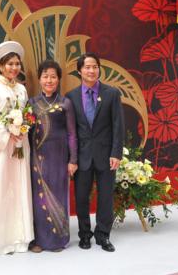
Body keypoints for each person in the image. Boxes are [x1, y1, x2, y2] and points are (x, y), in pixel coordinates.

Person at [66, 52, 125, 252]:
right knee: (82, 197)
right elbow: (71, 131)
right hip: (82, 156)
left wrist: (116, 153)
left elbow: (118, 125)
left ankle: (103, 235)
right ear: (79, 71)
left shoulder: (112, 94)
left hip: (106, 155)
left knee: (106, 197)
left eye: (95, 67)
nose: (91, 71)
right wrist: (71, 158)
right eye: (87, 67)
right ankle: (84, 235)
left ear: (99, 69)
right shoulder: (71, 97)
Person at [0, 41, 34, 254]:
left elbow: (27, 114)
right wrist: (6, 132)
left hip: (20, 145)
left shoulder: (22, 89)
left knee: (20, 188)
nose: (14, 68)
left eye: (17, 64)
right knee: (1, 189)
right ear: (1, 66)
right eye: (10, 64)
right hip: (1, 148)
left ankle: (20, 238)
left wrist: (22, 128)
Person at [28, 60, 77, 252]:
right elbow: (27, 132)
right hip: (37, 158)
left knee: (58, 195)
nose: (49, 80)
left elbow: (72, 134)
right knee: (38, 199)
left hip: (59, 157)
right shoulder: (31, 103)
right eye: (45, 76)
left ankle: (57, 240)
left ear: (58, 79)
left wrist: (73, 160)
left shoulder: (65, 103)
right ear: (39, 79)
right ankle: (39, 240)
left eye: (53, 77)